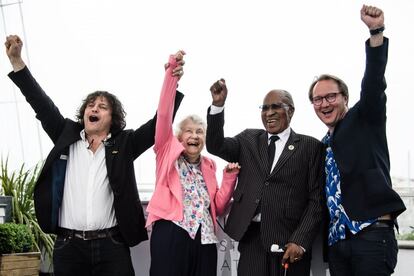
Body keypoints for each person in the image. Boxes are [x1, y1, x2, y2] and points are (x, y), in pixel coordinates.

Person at [4, 34, 185, 275]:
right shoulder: (65, 134)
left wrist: (170, 82)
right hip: (68, 246)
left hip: (111, 245)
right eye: (91, 104)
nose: (94, 108)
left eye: (102, 106)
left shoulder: (124, 143)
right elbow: (39, 101)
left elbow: (158, 124)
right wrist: (16, 61)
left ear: (112, 118)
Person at [308, 5, 406, 276]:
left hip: (371, 237)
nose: (324, 103)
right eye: (318, 99)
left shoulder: (365, 118)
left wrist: (376, 32)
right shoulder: (323, 145)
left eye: (331, 96)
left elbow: (374, 82)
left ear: (345, 98)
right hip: (338, 244)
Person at [206, 80, 325, 276]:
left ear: (291, 111)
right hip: (252, 240)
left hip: (290, 243)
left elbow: (316, 200)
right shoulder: (248, 140)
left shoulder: (311, 147)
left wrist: (300, 241)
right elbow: (215, 145)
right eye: (265, 108)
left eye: (276, 107)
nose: (269, 113)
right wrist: (218, 105)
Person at [146, 52, 240, 276]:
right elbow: (164, 115)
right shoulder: (167, 152)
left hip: (205, 238)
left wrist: (229, 178)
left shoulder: (209, 165)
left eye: (200, 132)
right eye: (189, 131)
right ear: (178, 137)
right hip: (171, 231)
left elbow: (217, 207)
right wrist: (171, 76)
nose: (195, 135)